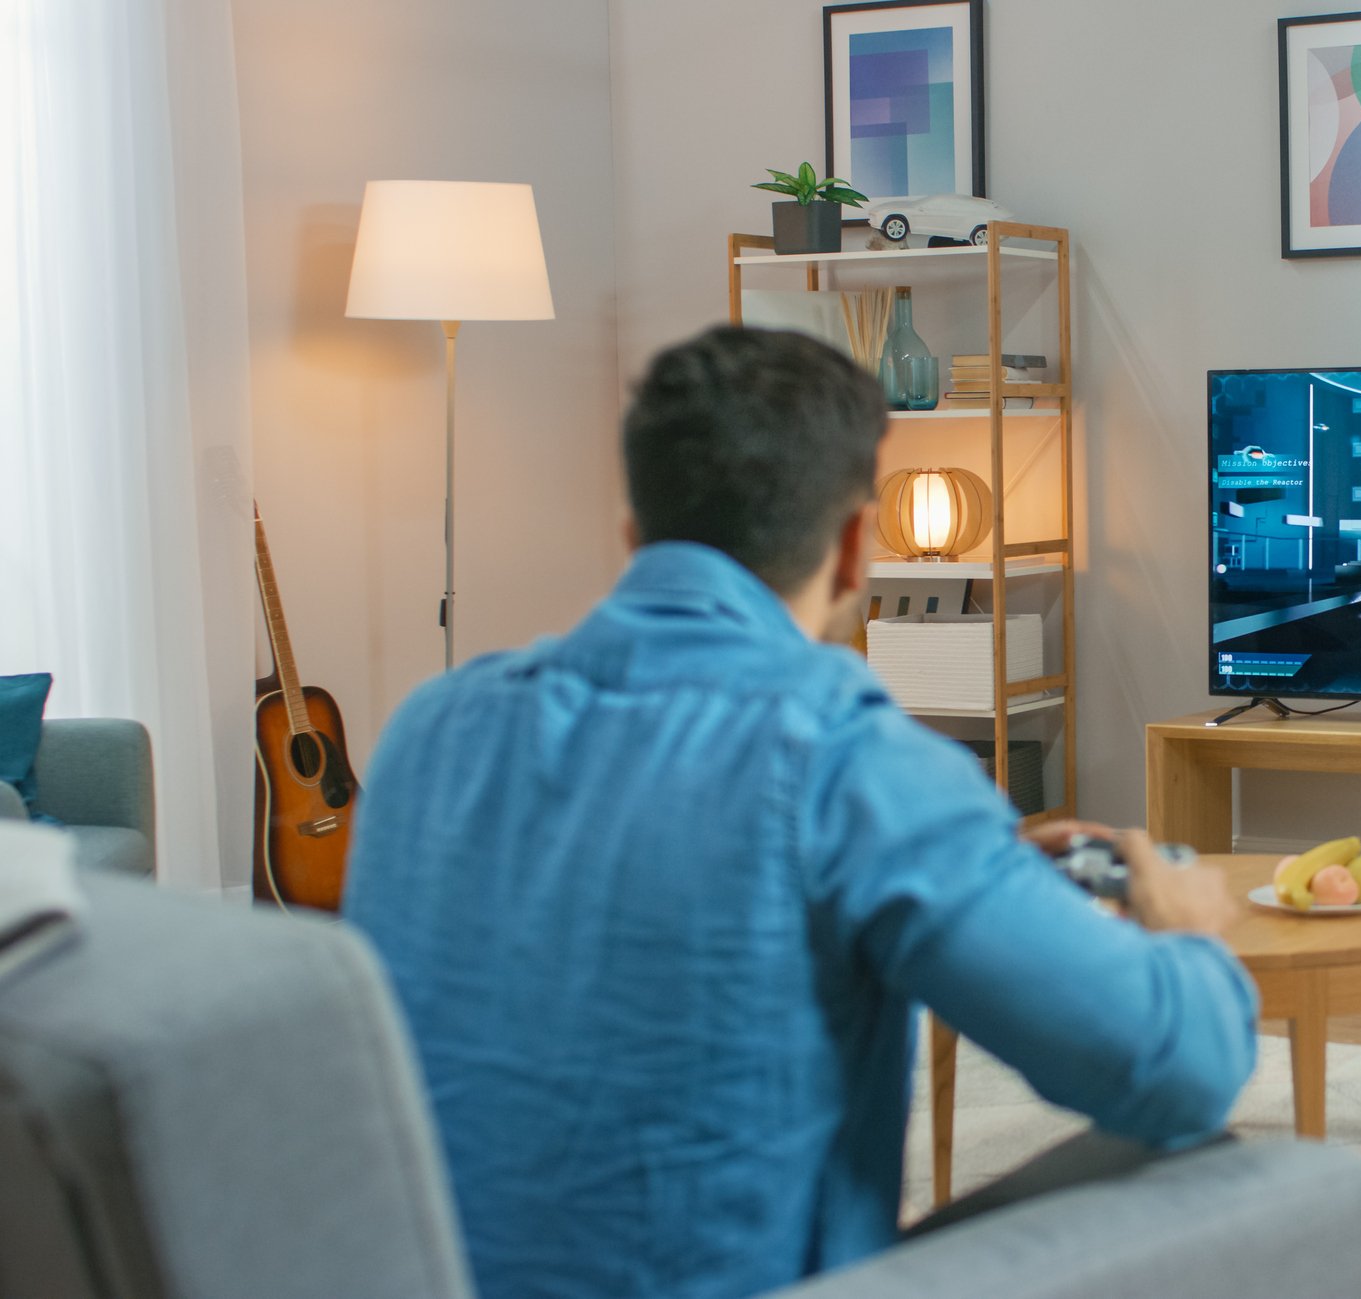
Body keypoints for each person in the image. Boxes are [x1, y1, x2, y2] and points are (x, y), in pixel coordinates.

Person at [343, 326, 1258, 1299]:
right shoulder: (852, 764)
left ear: (631, 533)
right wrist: (1190, 937)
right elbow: (1178, 1070)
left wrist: (975, 867)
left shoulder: (431, 731)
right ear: (859, 543)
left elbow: (630, 892)